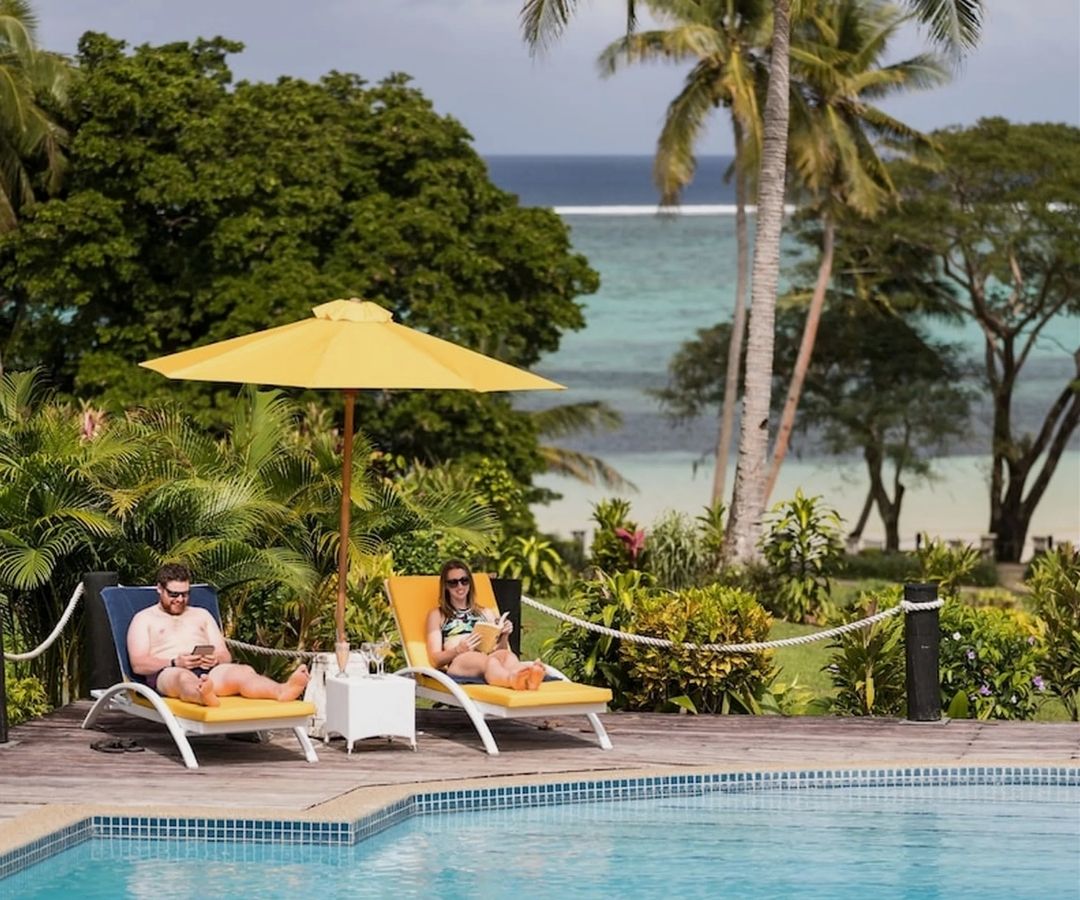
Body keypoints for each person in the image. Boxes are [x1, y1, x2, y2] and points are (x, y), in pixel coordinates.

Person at [127, 562, 309, 707]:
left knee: (243, 672)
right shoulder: (144, 619)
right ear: (160, 589)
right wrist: (175, 662)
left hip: (210, 672)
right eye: (174, 594)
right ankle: (201, 695)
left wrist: (215, 659)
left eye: (185, 594)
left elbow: (224, 654)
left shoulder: (202, 615)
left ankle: (281, 691)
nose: (180, 599)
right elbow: (138, 664)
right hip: (168, 672)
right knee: (183, 678)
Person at [425, 559, 546, 690]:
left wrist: (504, 635)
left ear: (470, 583)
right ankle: (513, 679)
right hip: (459, 660)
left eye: (464, 580)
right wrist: (458, 649)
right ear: (446, 586)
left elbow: (500, 650)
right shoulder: (438, 614)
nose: (460, 586)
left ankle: (528, 678)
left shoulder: (485, 612)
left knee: (507, 656)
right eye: (453, 582)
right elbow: (435, 659)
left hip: (486, 656)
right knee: (490, 662)